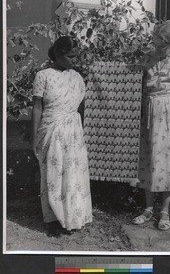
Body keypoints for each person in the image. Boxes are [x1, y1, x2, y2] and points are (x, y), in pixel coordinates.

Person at [133, 21, 170, 230]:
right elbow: (133, 81)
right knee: (148, 157)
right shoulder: (148, 57)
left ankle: (164, 211)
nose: (157, 48)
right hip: (148, 111)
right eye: (155, 43)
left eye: (161, 45)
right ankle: (148, 209)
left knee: (168, 161)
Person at [31, 36, 92, 237]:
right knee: (53, 175)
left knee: (73, 174)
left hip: (73, 131)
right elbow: (38, 107)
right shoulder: (43, 76)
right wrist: (34, 137)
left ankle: (73, 217)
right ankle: (53, 219)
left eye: (76, 56)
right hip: (51, 129)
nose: (75, 60)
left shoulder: (77, 77)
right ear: (58, 54)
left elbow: (80, 107)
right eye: (71, 56)